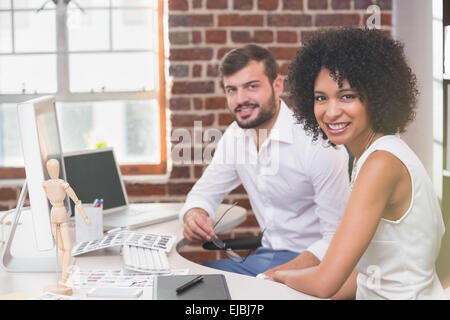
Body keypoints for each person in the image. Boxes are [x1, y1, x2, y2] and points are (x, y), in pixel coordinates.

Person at [270, 27, 446, 300]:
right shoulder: (371, 154)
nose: (331, 111)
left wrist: (277, 276)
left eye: (347, 96)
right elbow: (364, 277)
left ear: (376, 97)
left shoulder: (381, 164)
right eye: (320, 98)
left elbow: (324, 283)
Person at [179, 44, 351, 277]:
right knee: (189, 285)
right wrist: (194, 214)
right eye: (232, 90)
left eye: (251, 86)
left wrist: (274, 277)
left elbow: (339, 239)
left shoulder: (317, 143)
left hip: (314, 263)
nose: (241, 99)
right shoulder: (235, 136)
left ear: (277, 86)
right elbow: (203, 193)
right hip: (266, 256)